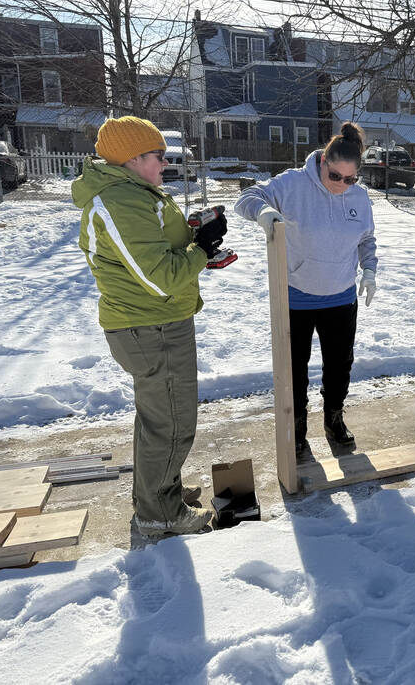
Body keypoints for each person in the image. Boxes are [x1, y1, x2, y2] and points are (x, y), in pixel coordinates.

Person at [72, 116, 224, 536]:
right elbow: (160, 276)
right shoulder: (121, 202)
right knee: (172, 423)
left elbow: (154, 249)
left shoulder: (134, 194)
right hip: (151, 328)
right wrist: (202, 249)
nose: (165, 163)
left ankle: (161, 493)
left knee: (158, 420)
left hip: (154, 323)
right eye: (159, 156)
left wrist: (193, 235)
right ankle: (159, 516)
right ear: (133, 158)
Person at [235, 122, 377, 462]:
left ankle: (333, 419)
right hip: (296, 295)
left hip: (341, 296)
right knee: (295, 367)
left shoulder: (359, 196)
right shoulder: (293, 184)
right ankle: (297, 427)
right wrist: (264, 211)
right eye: (335, 177)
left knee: (339, 365)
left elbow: (366, 238)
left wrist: (369, 269)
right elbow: (246, 198)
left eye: (350, 179)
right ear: (323, 162)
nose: (342, 185)